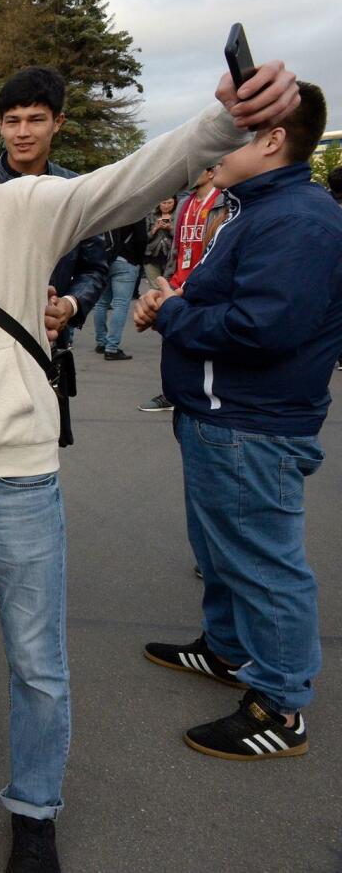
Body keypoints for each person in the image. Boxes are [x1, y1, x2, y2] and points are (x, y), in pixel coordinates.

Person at [0, 60, 296, 872]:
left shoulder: (19, 207)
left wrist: (226, 123)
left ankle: (33, 809)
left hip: (15, 475)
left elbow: (131, 182)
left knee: (36, 661)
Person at [135, 82, 339, 761]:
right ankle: (226, 651)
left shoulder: (298, 220)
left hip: (251, 426)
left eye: (238, 131)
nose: (218, 147)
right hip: (226, 419)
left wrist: (171, 314)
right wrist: (179, 303)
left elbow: (263, 329)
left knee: (263, 565)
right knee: (224, 551)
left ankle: (281, 708)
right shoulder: (266, 209)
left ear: (273, 140)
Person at [0, 67, 109, 355]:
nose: (22, 133)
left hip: (50, 350)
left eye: (35, 120)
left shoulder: (75, 191)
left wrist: (69, 304)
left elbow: (94, 267)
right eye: (13, 121)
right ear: (0, 125)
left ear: (58, 122)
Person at [138, 168, 230, 412]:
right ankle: (172, 393)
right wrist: (168, 281)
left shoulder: (224, 203)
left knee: (200, 338)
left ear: (212, 172)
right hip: (179, 280)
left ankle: (202, 394)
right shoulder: (185, 204)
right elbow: (177, 249)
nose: (190, 173)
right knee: (172, 338)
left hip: (203, 285)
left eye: (199, 167)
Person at [91, 218, 148, 360]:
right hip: (127, 259)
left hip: (105, 259)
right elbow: (141, 238)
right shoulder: (136, 209)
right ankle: (111, 348)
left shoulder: (111, 207)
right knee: (120, 304)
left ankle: (101, 342)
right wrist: (139, 261)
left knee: (101, 303)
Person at [141, 196, 177, 290]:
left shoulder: (178, 215)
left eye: (170, 203)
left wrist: (170, 228)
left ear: (175, 202)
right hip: (152, 255)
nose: (166, 206)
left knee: (169, 288)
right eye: (163, 203)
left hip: (170, 256)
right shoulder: (151, 215)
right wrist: (155, 228)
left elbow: (181, 236)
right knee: (155, 287)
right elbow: (144, 237)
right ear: (158, 204)